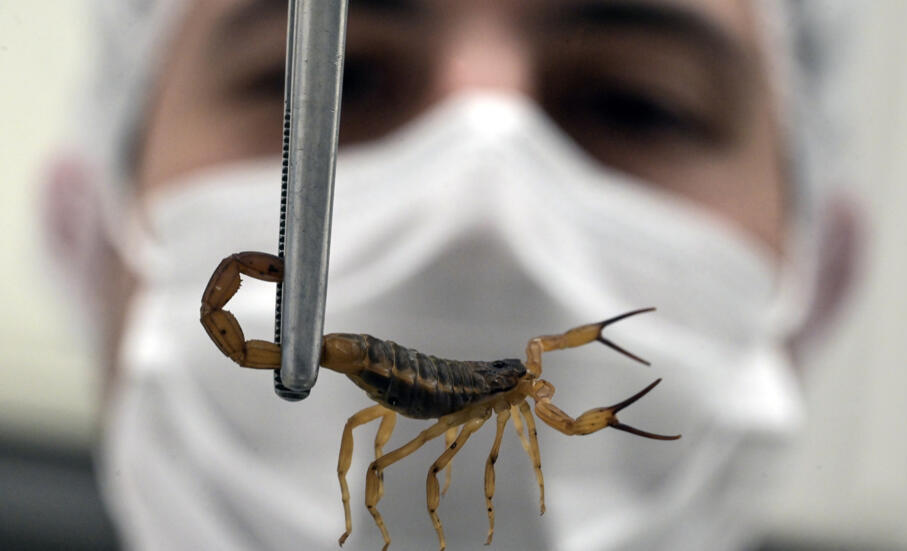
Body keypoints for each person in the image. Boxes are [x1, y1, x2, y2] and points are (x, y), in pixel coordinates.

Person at [44, 0, 859, 549]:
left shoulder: (510, 394)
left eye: (634, 101)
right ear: (92, 241)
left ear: (817, 286)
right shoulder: (518, 400)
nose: (482, 212)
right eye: (345, 77)